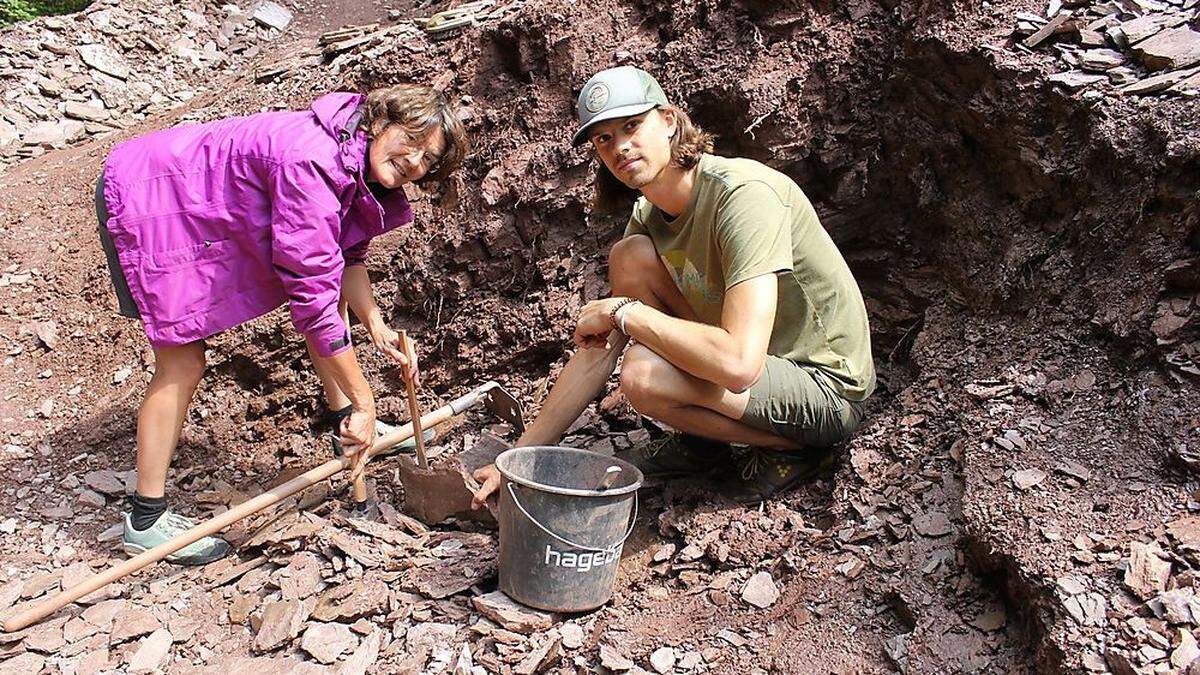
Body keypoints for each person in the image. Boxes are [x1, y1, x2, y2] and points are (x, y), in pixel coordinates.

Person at [97, 84, 467, 564]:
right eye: (411, 140)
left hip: (197, 192)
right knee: (183, 356)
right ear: (381, 122)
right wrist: (365, 400)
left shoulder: (357, 156)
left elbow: (343, 257)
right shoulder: (312, 161)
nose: (415, 162)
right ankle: (146, 520)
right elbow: (311, 296)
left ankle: (341, 425)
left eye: (428, 159)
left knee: (326, 304)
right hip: (154, 198)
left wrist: (374, 321)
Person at [472, 66, 874, 505]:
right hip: (747, 376)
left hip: (823, 389)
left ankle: (795, 450)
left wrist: (625, 312)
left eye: (631, 126)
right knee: (630, 258)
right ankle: (708, 444)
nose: (620, 146)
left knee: (645, 374)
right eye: (603, 139)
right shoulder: (647, 217)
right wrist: (515, 460)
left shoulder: (743, 195)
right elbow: (597, 354)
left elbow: (739, 365)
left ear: (668, 121)